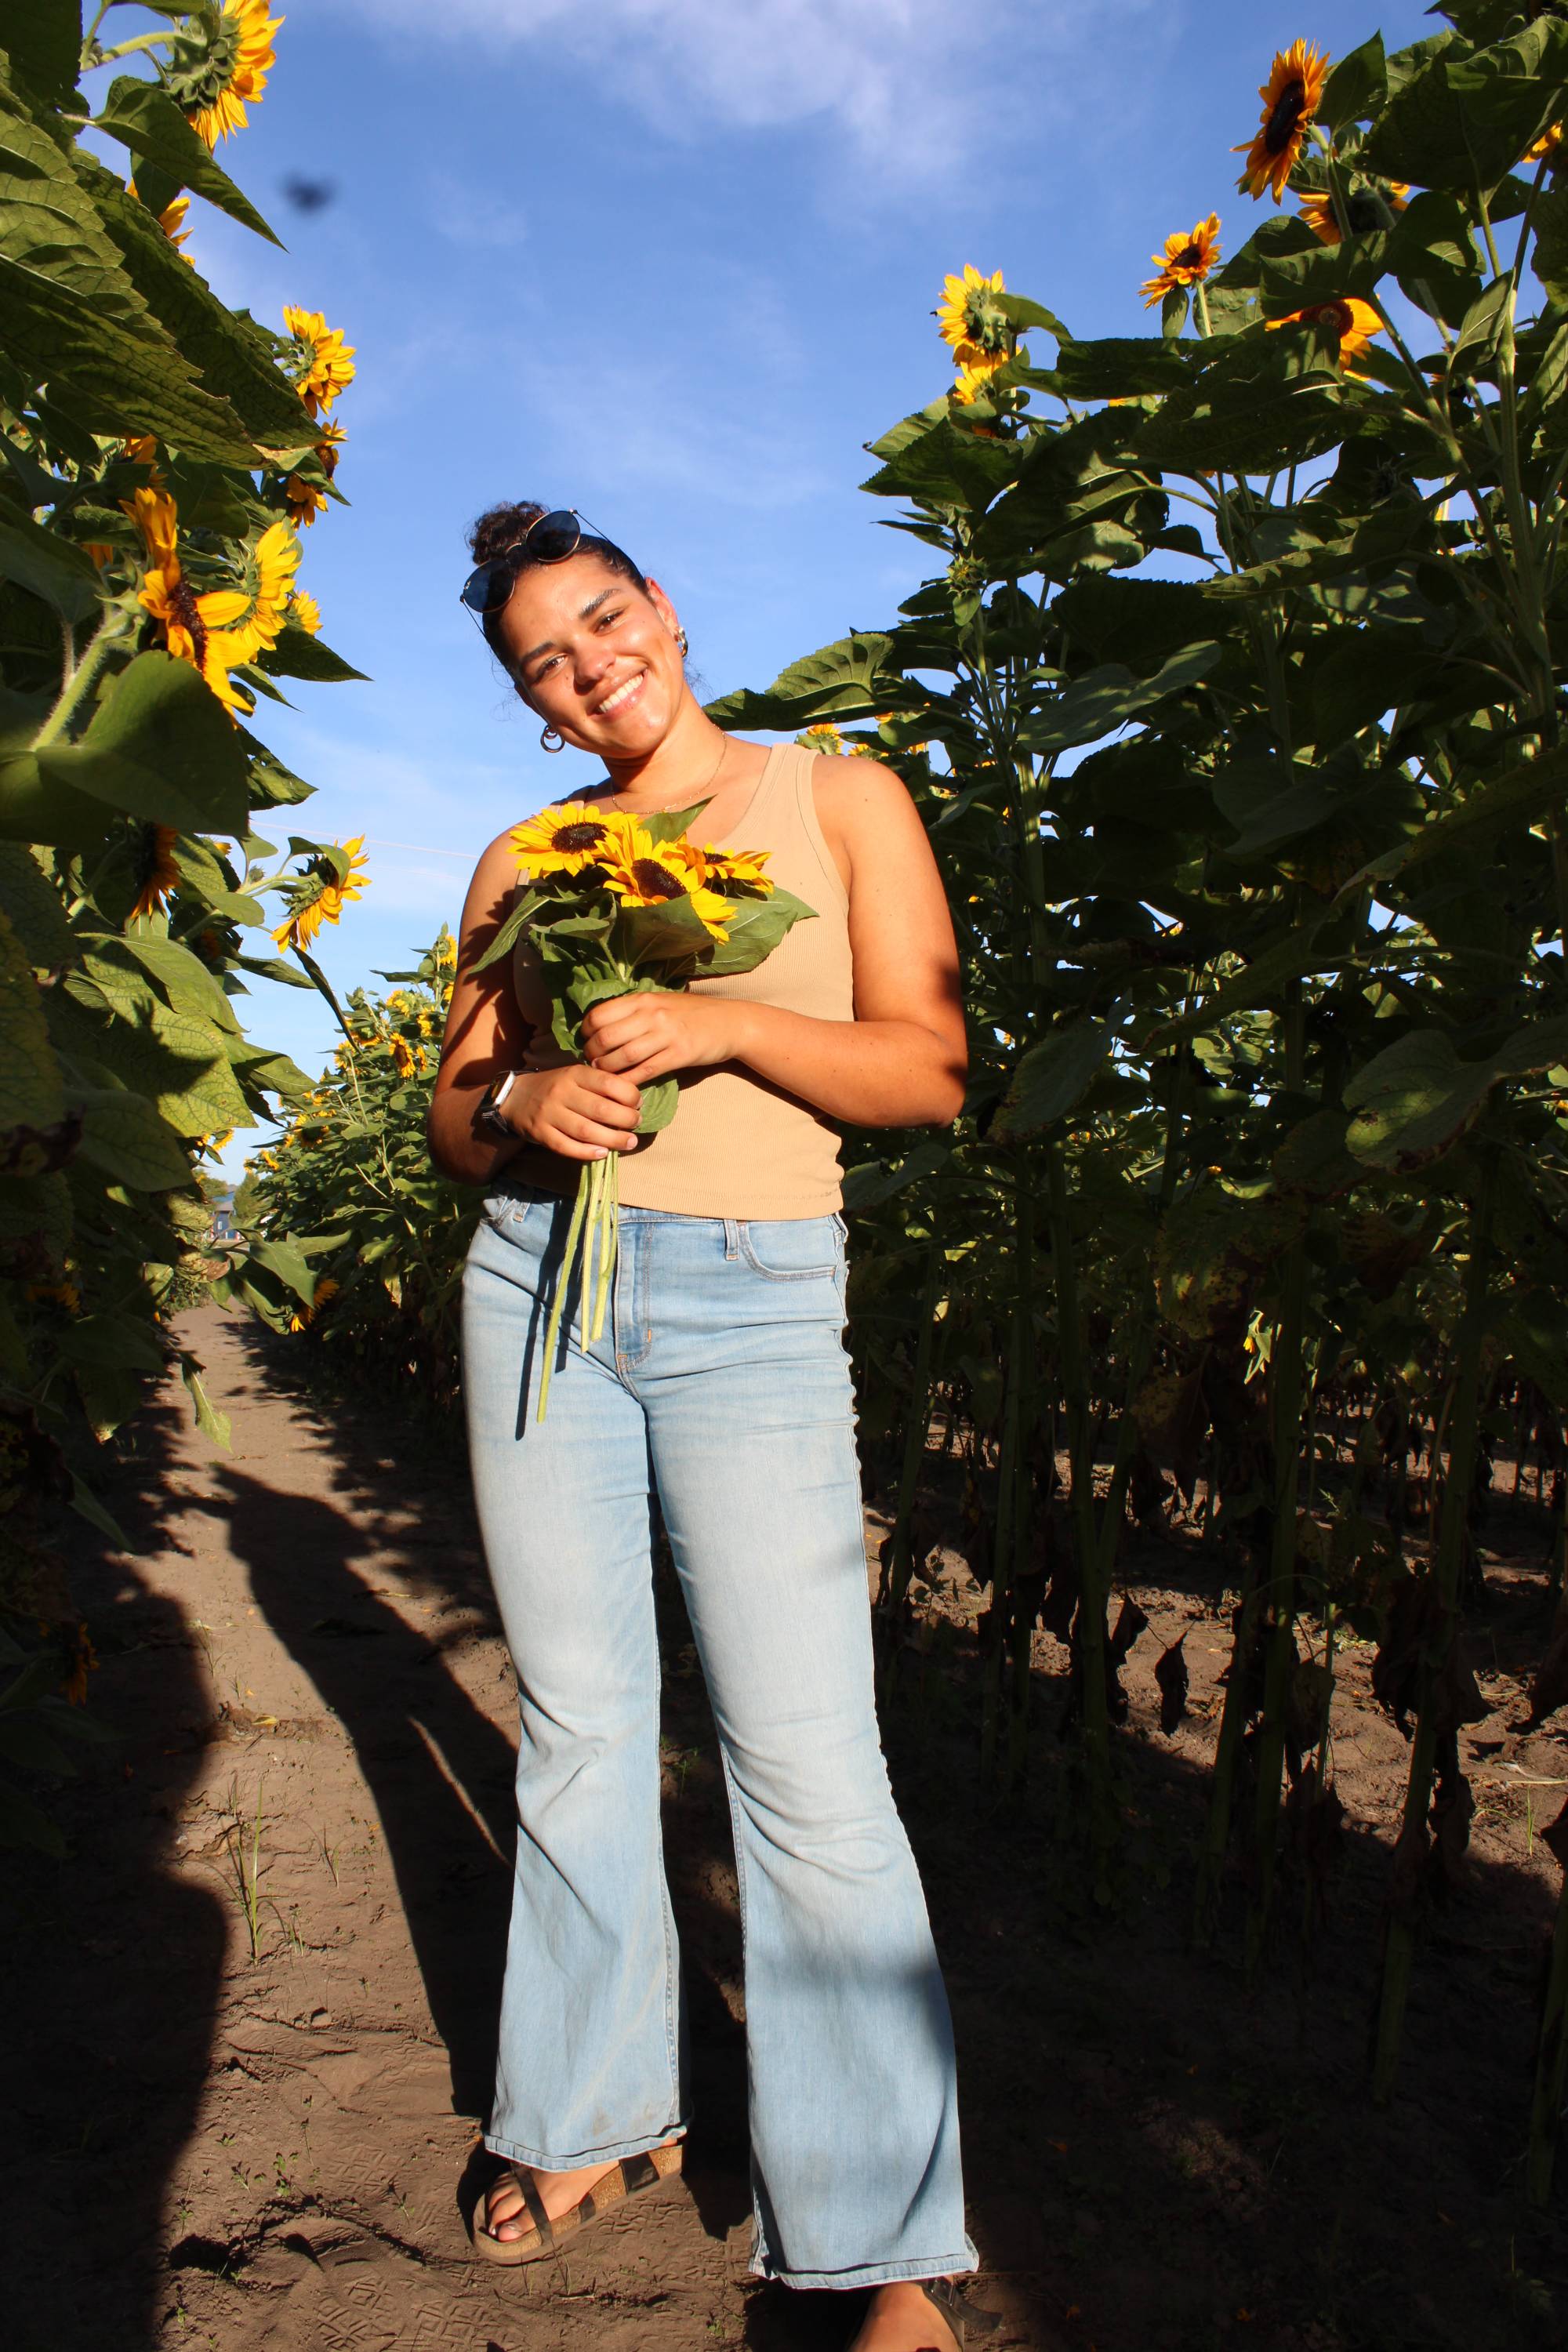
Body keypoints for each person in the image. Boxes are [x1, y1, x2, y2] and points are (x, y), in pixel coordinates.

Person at [430, 503, 986, 2351]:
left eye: (605, 622)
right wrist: (529, 1090)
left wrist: (719, 1026)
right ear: (530, 703)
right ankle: (592, 2114)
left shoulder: (837, 798)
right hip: (538, 1288)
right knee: (583, 1725)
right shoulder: (526, 855)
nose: (595, 669)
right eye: (547, 663)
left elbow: (924, 1068)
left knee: (811, 1770)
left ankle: (884, 2248)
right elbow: (455, 1121)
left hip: (752, 1298)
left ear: (665, 605)